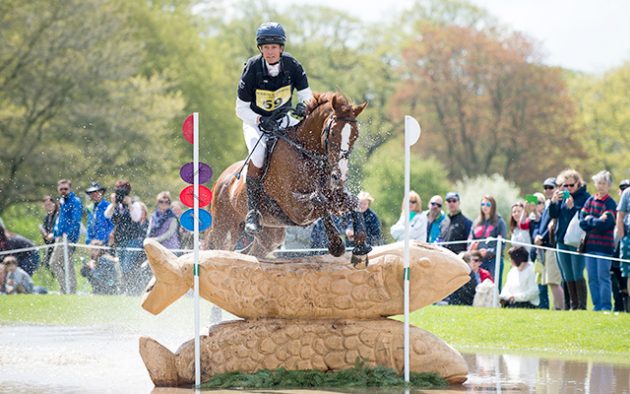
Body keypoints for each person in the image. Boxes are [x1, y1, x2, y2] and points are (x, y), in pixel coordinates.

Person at [236, 22, 313, 235]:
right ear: (260, 49)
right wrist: (260, 119)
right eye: (266, 47)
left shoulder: (293, 65)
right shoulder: (252, 68)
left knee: (305, 146)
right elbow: (240, 109)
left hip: (284, 119)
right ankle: (253, 212)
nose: (270, 51)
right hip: (256, 122)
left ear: (281, 48)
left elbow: (308, 96)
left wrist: (303, 107)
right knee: (259, 155)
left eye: (274, 47)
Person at [549, 169, 591, 310]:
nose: (567, 189)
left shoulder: (585, 197)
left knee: (577, 272)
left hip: (576, 240)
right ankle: (572, 305)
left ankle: (581, 306)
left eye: (571, 185)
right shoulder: (561, 196)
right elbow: (553, 215)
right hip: (561, 240)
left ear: (578, 183)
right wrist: (554, 202)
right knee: (566, 274)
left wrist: (572, 207)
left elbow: (583, 218)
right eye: (564, 186)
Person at [580, 170, 617, 312]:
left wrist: (591, 220)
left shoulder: (610, 203)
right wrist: (595, 220)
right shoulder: (589, 201)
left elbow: (606, 225)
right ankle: (597, 306)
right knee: (592, 278)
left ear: (608, 185)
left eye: (604, 183)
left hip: (604, 247)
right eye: (599, 183)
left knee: (603, 277)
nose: (601, 186)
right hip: (590, 246)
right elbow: (582, 222)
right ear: (595, 184)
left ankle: (606, 306)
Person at [104, 180, 146, 295]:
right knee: (122, 266)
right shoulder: (115, 205)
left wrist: (130, 205)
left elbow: (136, 218)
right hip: (120, 240)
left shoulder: (135, 204)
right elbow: (107, 215)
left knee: (128, 266)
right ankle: (128, 289)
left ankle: (131, 289)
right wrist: (113, 204)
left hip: (133, 240)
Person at [533, 178, 565, 311]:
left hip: (552, 245)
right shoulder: (547, 204)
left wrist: (543, 237)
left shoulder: (557, 203)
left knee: (553, 281)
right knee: (549, 280)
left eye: (550, 187)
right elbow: (540, 225)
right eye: (545, 187)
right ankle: (557, 307)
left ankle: (560, 308)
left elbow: (553, 224)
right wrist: (537, 237)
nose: (547, 190)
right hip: (544, 247)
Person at [49, 179, 83, 293]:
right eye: (61, 189)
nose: (63, 191)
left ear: (70, 189)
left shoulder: (75, 201)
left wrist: (67, 236)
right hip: (60, 237)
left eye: (66, 189)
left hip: (67, 238)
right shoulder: (62, 201)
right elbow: (60, 220)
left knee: (53, 263)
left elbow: (76, 221)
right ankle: (70, 289)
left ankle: (66, 288)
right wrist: (54, 234)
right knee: (66, 264)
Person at [469, 195, 507, 289]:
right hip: (478, 260)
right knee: (478, 285)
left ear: (493, 206)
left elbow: (502, 243)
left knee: (494, 286)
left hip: (494, 260)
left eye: (488, 204)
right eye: (483, 204)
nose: (485, 206)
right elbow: (470, 239)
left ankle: (495, 304)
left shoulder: (500, 222)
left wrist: (489, 252)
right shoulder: (476, 222)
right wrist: (473, 250)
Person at [616, 180, 630, 312]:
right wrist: (623, 237)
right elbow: (620, 215)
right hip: (628, 237)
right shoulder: (627, 193)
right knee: (629, 273)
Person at [39, 195, 58, 269]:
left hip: (58, 242)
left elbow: (60, 229)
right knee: (48, 265)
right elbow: (45, 233)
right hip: (50, 244)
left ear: (54, 204)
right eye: (46, 205)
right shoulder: (46, 218)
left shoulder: (58, 215)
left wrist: (53, 235)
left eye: (49, 204)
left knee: (55, 263)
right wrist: (44, 235)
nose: (48, 207)